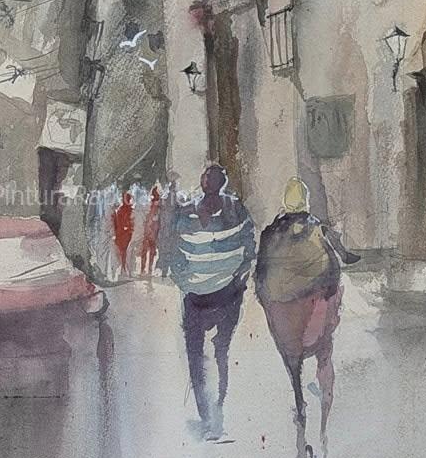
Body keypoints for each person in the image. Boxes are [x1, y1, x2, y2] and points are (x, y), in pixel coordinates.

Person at [254, 178, 358, 435]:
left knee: (291, 357)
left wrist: (266, 299)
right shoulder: (319, 227)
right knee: (325, 347)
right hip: (316, 306)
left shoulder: (269, 233)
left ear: (285, 202)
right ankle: (325, 401)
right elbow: (345, 257)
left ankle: (299, 399)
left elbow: (260, 274)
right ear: (306, 201)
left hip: (282, 310)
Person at [170, 164, 256, 439]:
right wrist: (184, 281)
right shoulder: (186, 212)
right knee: (197, 356)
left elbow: (250, 248)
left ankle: (216, 408)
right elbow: (173, 250)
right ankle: (207, 415)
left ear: (219, 183)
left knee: (219, 352)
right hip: (195, 297)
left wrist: (238, 281)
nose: (206, 180)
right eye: (205, 176)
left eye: (211, 177)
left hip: (227, 295)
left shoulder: (235, 209)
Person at [138, 183, 163, 278]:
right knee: (151, 252)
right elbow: (156, 219)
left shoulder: (149, 205)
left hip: (148, 231)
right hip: (153, 232)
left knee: (145, 252)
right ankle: (148, 270)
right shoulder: (158, 207)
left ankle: (143, 270)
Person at [111, 187, 136, 275]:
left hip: (125, 233)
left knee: (125, 251)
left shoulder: (125, 210)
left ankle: (125, 268)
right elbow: (117, 222)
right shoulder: (122, 210)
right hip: (122, 233)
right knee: (123, 251)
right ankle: (123, 268)